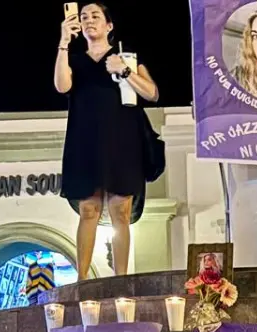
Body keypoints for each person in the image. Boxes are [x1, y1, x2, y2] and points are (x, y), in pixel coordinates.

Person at [56, 3, 163, 281]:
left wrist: (125, 71)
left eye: (95, 16)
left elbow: (152, 93)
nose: (89, 20)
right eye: (84, 17)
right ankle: (82, 279)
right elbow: (62, 86)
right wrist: (64, 42)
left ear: (109, 25)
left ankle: (121, 279)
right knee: (88, 209)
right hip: (85, 141)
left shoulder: (126, 57)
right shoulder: (75, 61)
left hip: (122, 141)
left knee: (121, 209)